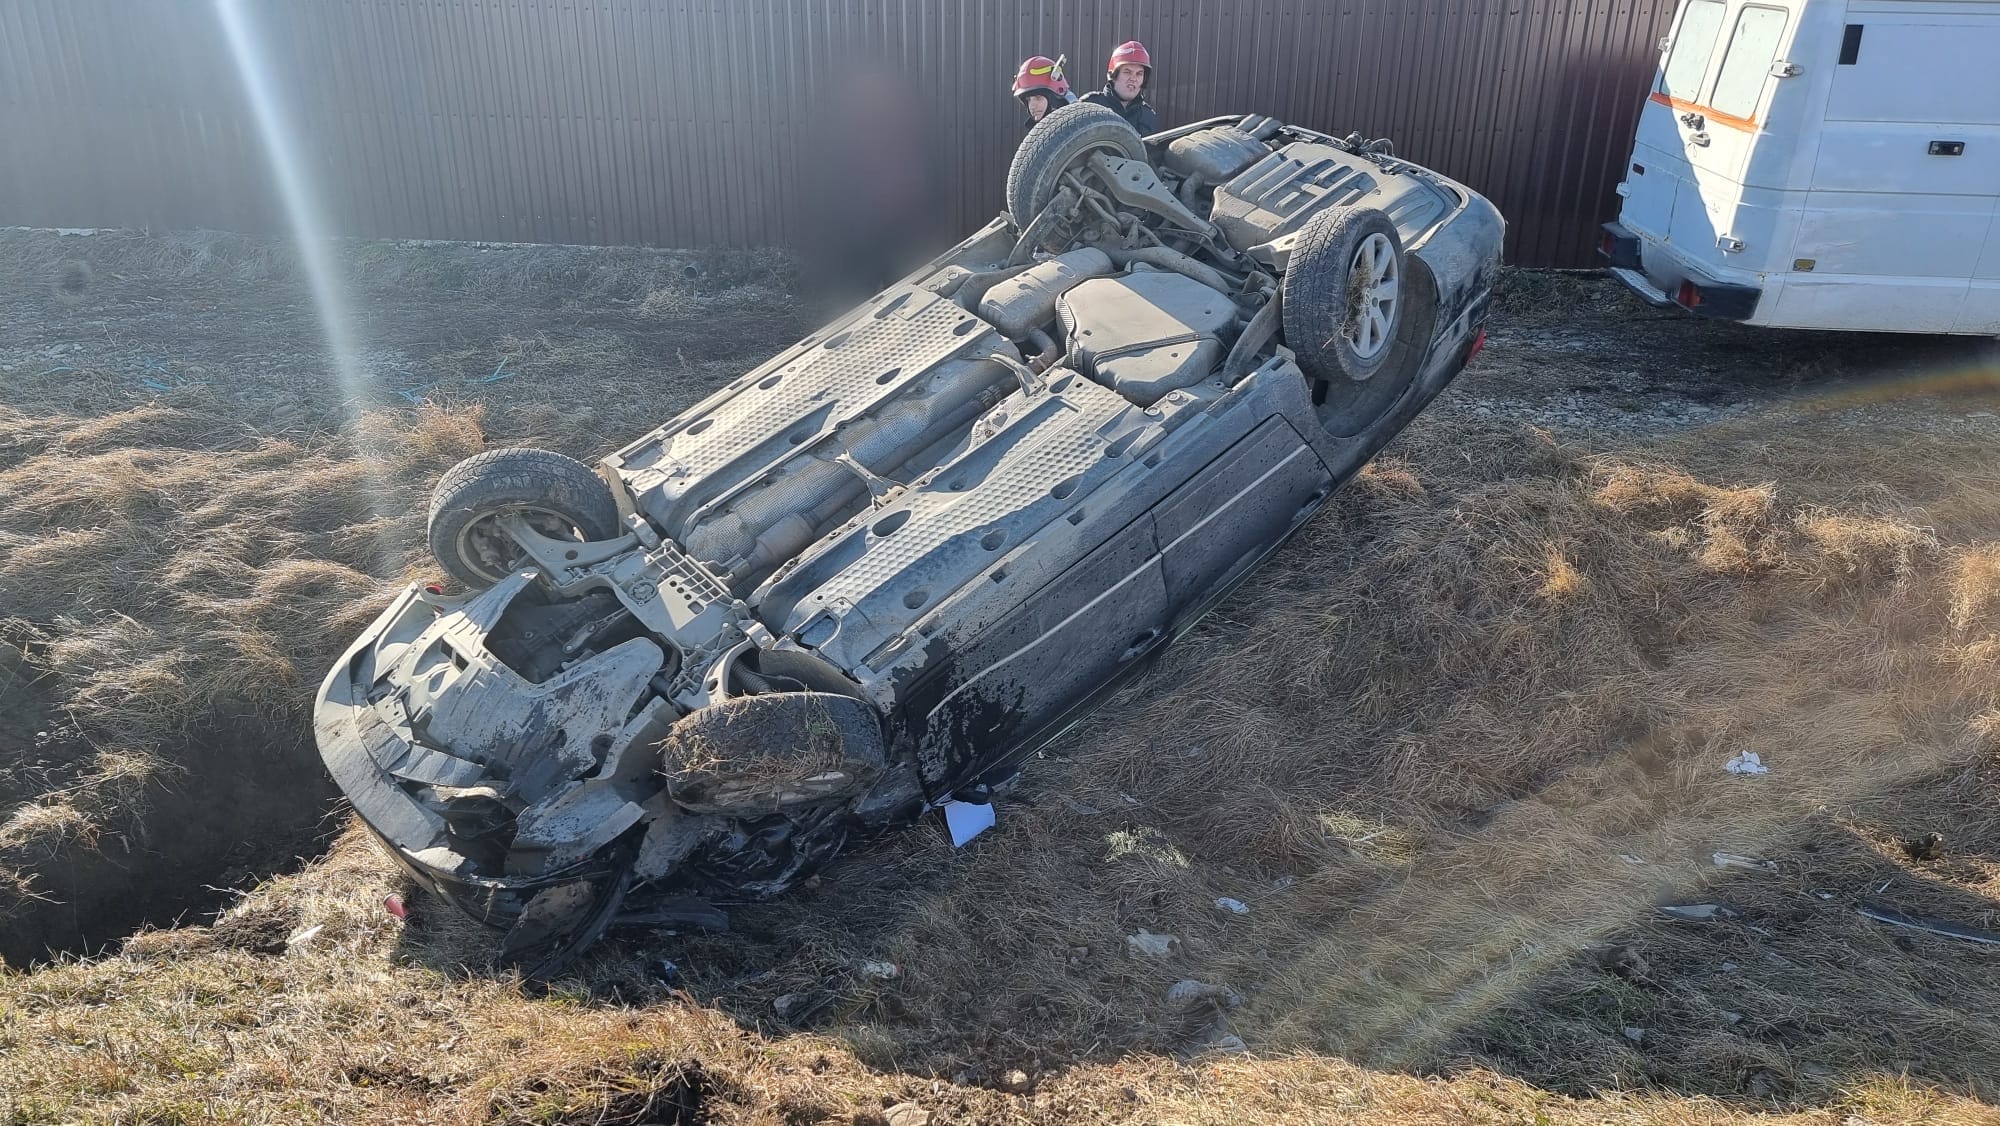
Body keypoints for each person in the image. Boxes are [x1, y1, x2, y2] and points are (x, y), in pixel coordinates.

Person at [1080, 40, 1159, 134]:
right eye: (1127, 72)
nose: (1133, 78)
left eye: (1139, 74)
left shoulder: (1148, 116)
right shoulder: (1089, 106)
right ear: (1113, 76)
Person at [1010, 55, 1073, 128]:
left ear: (1055, 99)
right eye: (1028, 99)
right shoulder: (1042, 133)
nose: (1032, 106)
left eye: (1038, 98)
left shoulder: (1079, 129)